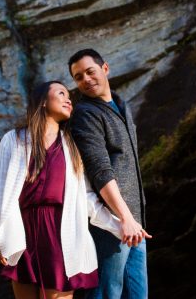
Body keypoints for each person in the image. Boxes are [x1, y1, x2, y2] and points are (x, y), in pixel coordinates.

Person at [0, 80, 123, 299]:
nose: (68, 99)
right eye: (61, 93)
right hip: (22, 231)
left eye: (69, 96)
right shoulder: (13, 140)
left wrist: (120, 225)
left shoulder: (72, 146)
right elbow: (0, 194)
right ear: (43, 101)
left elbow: (87, 198)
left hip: (60, 230)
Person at [68, 49, 151, 299]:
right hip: (111, 222)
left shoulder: (121, 107)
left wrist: (133, 219)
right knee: (106, 293)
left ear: (105, 68)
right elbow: (99, 169)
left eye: (90, 71)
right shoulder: (85, 114)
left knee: (138, 295)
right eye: (78, 76)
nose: (86, 79)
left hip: (135, 222)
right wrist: (123, 218)